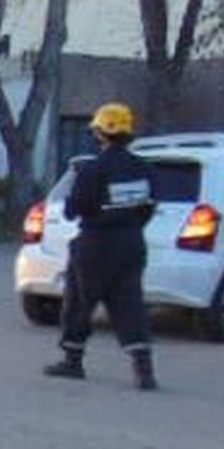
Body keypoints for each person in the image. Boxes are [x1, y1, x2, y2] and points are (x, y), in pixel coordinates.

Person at [44, 103, 158, 390]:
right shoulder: (143, 168)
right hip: (131, 243)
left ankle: (72, 360)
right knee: (130, 303)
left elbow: (74, 209)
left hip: (96, 244)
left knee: (80, 303)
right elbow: (148, 207)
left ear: (100, 133)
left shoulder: (93, 169)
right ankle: (143, 369)